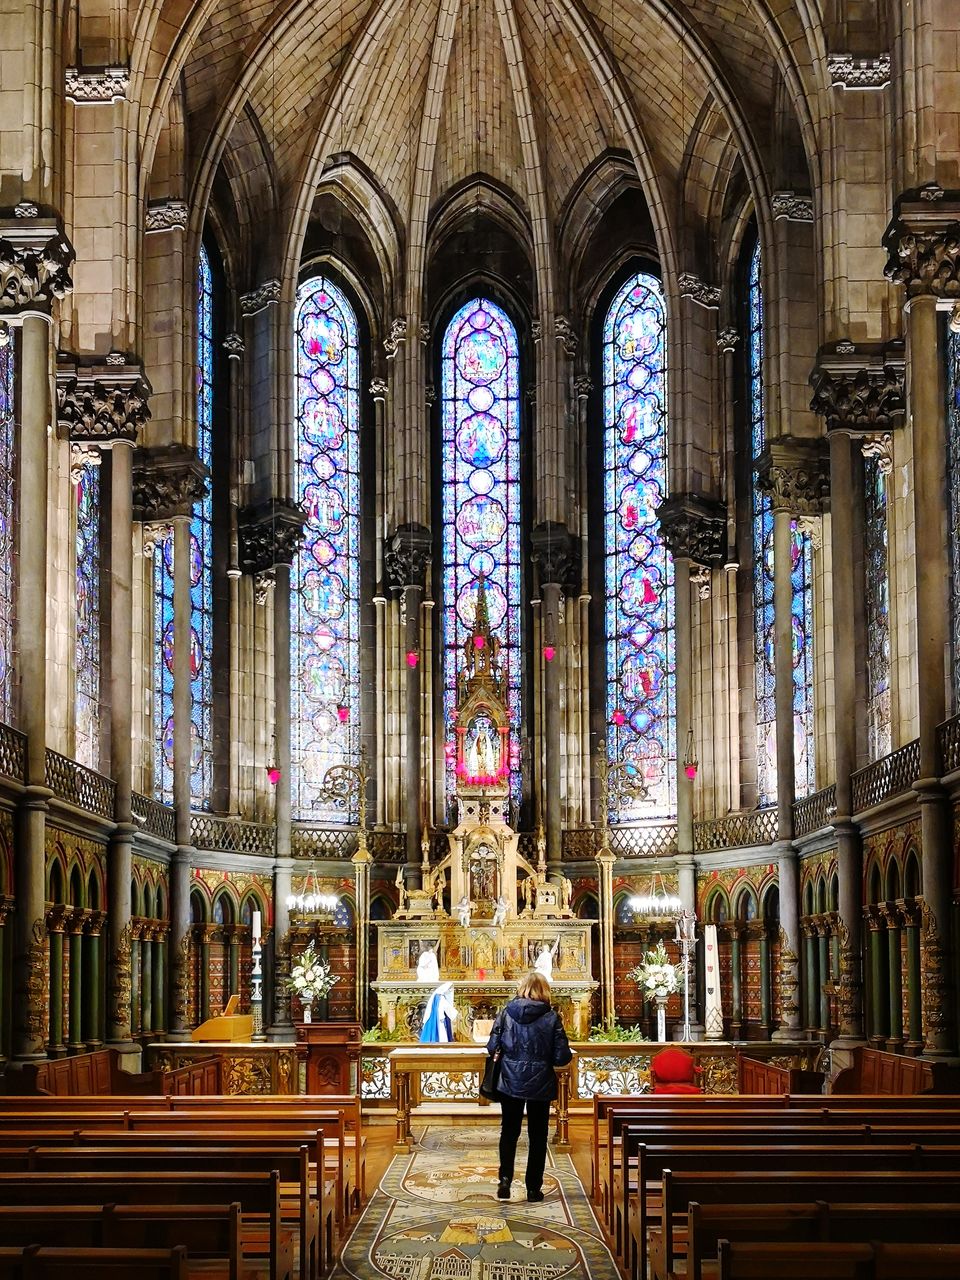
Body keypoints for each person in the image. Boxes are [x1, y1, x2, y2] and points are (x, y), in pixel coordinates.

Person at [486, 970, 572, 1203]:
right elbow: (562, 1056)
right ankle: (533, 1188)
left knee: (510, 1131)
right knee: (537, 1135)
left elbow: (492, 1045)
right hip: (540, 1082)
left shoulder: (506, 1014)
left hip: (510, 1081)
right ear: (544, 991)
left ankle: (505, 1180)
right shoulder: (551, 1017)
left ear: (522, 988)